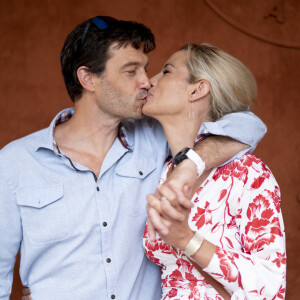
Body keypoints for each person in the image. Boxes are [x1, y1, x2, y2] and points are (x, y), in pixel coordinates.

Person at [0, 16, 266, 300]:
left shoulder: (157, 138)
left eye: (146, 69)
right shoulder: (15, 163)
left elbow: (249, 125)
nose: (146, 82)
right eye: (131, 71)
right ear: (88, 78)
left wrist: (190, 164)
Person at [143, 43, 286, 299]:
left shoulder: (246, 173)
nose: (150, 81)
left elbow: (272, 285)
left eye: (166, 71)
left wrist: (187, 239)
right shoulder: (161, 172)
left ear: (198, 89)